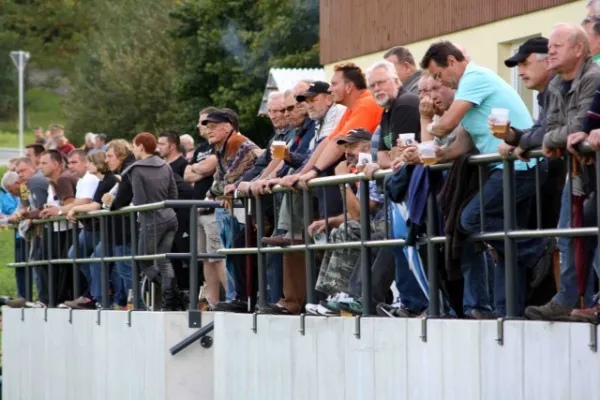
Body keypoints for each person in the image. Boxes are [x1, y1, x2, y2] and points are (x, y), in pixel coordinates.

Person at [420, 41, 553, 317]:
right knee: (505, 241)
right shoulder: (469, 89)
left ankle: (537, 249)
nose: (438, 81)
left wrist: (427, 121)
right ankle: (508, 312)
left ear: (452, 63)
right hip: (510, 167)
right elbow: (462, 143)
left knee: (470, 219)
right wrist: (441, 154)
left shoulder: (474, 78)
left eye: (437, 75)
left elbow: (446, 125)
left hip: (519, 167)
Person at [525, 24, 600, 321]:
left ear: (579, 49)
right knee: (568, 232)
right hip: (578, 168)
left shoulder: (593, 77)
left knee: (588, 229)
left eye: (557, 45)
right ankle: (568, 298)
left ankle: (586, 299)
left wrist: (551, 140)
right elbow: (553, 127)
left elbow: (578, 127)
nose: (550, 51)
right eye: (550, 46)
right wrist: (553, 138)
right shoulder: (556, 83)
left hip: (590, 166)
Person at [304, 129, 386, 316]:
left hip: (388, 224)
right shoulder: (361, 169)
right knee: (337, 229)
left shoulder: (373, 166)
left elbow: (360, 215)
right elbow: (358, 211)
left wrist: (342, 181)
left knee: (348, 229)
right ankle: (333, 296)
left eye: (352, 146)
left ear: (367, 146)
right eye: (345, 147)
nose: (347, 152)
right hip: (377, 223)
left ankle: (342, 294)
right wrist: (330, 221)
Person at [499, 37, 566, 232]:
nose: (519, 73)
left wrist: (522, 143)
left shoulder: (556, 87)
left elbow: (549, 131)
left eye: (525, 64)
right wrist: (512, 136)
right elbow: (539, 129)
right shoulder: (547, 91)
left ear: (547, 62)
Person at [204, 110, 262, 312]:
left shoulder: (237, 143)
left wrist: (213, 193)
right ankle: (237, 296)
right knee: (232, 251)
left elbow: (229, 179)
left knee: (239, 251)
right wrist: (214, 193)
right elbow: (221, 180)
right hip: (235, 206)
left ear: (227, 127)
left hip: (248, 207)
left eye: (213, 126)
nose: (208, 131)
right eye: (207, 127)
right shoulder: (221, 147)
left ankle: (243, 298)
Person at [295, 63, 383, 188]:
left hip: (370, 185)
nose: (330, 89)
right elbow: (329, 141)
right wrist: (303, 173)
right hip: (362, 179)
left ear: (349, 87)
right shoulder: (353, 107)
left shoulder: (366, 104)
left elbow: (338, 146)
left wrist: (314, 171)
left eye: (334, 84)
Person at [121, 133, 180, 310]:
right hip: (170, 217)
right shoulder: (165, 165)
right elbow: (174, 195)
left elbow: (139, 202)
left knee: (144, 261)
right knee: (163, 260)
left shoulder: (136, 169)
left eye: (133, 145)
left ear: (140, 147)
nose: (132, 149)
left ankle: (174, 294)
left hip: (151, 220)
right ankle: (172, 300)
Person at [63, 151, 119, 309]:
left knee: (98, 261)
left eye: (91, 163)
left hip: (100, 228)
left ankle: (100, 295)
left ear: (99, 164)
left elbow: (95, 205)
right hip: (91, 226)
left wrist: (73, 209)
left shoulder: (108, 181)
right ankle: (98, 289)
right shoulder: (102, 181)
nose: (87, 166)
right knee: (77, 255)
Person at [185, 107, 224, 307]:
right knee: (205, 257)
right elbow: (187, 174)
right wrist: (201, 170)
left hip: (214, 209)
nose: (201, 126)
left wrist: (199, 170)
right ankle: (213, 300)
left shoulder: (221, 145)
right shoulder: (200, 148)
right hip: (198, 209)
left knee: (217, 255)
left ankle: (232, 297)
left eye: (204, 122)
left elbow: (212, 165)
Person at [37, 150, 78, 306]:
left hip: (69, 230)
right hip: (60, 229)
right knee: (50, 263)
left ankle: (54, 300)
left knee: (61, 266)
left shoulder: (63, 179)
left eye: (44, 163)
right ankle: (52, 300)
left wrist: (58, 210)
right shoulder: (53, 182)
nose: (40, 167)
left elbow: (71, 204)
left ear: (55, 165)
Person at [365, 59, 422, 169]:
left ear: (396, 82)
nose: (376, 89)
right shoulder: (386, 111)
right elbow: (382, 158)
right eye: (372, 85)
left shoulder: (404, 103)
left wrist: (390, 159)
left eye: (381, 82)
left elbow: (397, 157)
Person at [101, 139, 136, 308]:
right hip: (125, 230)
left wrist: (110, 202)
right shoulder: (127, 170)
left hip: (128, 231)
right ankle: (131, 305)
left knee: (127, 270)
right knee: (125, 269)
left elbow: (120, 200)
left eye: (109, 156)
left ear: (121, 155)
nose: (106, 160)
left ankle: (137, 307)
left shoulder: (129, 170)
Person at [0, 171, 24, 298]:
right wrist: (9, 219)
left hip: (22, 234)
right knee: (21, 267)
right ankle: (23, 296)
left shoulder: (24, 190)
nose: (11, 193)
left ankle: (24, 296)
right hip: (18, 233)